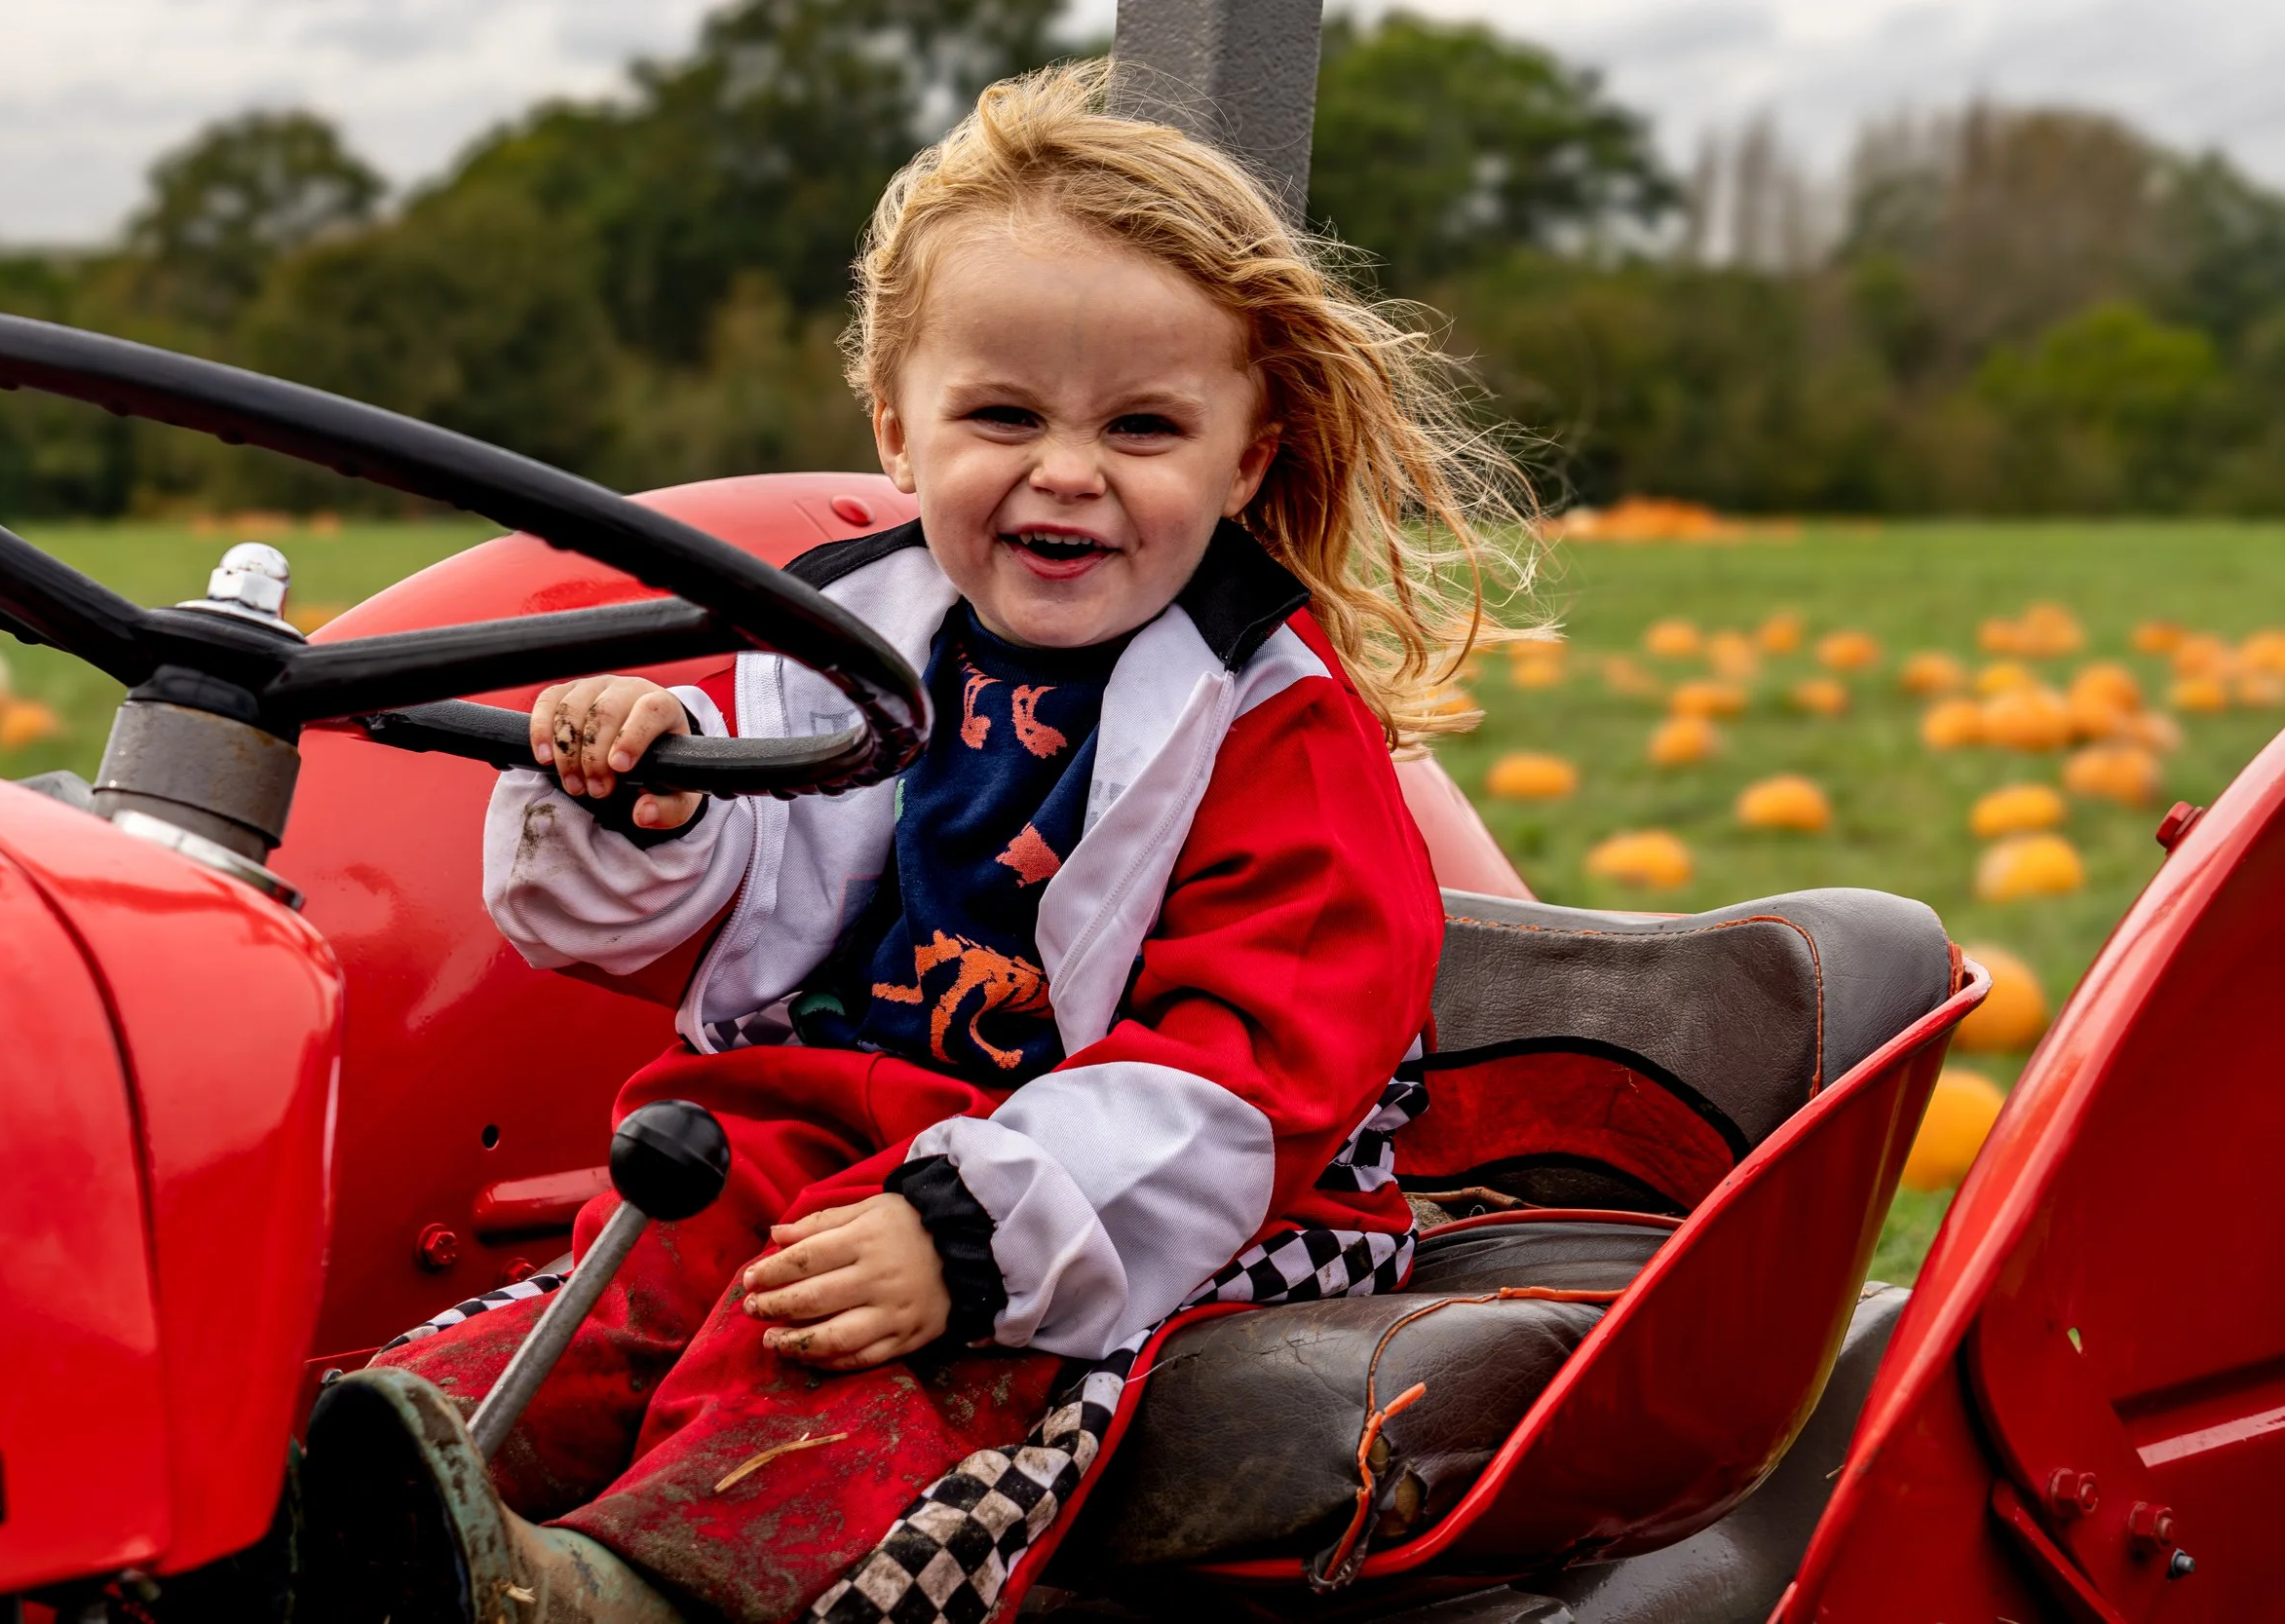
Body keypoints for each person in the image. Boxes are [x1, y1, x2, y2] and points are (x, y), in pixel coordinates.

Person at [305, 58, 1533, 1624]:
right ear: (899, 428)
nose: (1068, 469)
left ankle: (641, 1593)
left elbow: (1243, 1084)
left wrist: (962, 1234)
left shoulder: (1273, 727)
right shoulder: (851, 639)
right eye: (1004, 414)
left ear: (1245, 457)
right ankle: (368, 1503)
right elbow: (715, 916)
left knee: (845, 1360)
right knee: (622, 1285)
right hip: (826, 1128)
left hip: (1169, 1200)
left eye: (1143, 425)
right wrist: (647, 803)